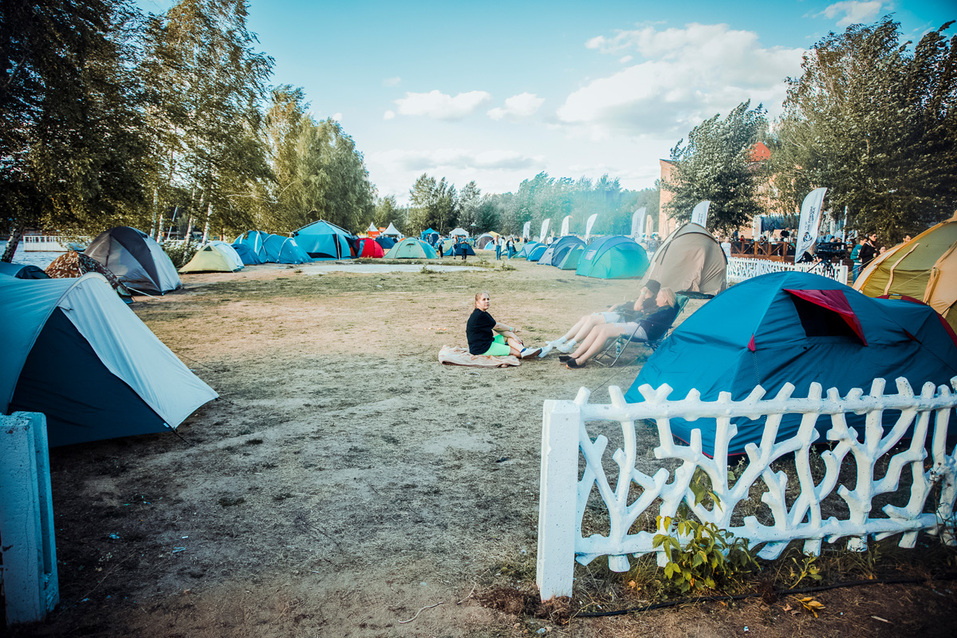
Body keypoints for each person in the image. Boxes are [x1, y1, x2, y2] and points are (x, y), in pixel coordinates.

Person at [538, 280, 662, 358]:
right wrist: (615, 306)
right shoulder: (644, 298)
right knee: (585, 318)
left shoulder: (650, 300)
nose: (642, 290)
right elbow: (629, 303)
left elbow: (637, 307)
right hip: (618, 313)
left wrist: (642, 294)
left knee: (592, 320)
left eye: (645, 288)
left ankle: (570, 344)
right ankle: (561, 340)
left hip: (623, 318)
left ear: (649, 290)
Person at [562, 287, 679, 368]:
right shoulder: (659, 307)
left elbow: (653, 320)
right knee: (598, 328)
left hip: (644, 330)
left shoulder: (668, 310)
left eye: (658, 296)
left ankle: (581, 361)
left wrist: (644, 313)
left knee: (605, 331)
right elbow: (642, 312)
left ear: (665, 299)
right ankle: (576, 354)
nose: (656, 298)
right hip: (637, 325)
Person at [466, 291, 541, 359]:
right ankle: (525, 353)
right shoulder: (479, 315)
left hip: (488, 342)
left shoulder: (483, 313)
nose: (487, 301)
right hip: (481, 348)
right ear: (477, 302)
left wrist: (512, 335)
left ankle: (524, 350)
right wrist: (511, 329)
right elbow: (497, 326)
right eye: (484, 299)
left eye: (488, 299)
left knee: (507, 337)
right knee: (514, 351)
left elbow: (497, 329)